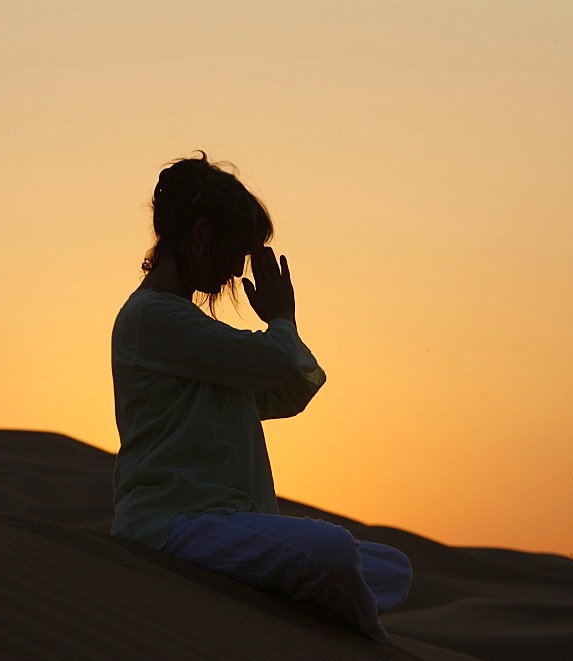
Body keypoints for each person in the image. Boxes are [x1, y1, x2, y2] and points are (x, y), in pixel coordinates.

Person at [110, 152, 411, 642]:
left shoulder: (196, 334)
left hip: (226, 521)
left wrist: (281, 331)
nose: (238, 268)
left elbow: (288, 390)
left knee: (391, 568)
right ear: (202, 236)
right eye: (238, 250)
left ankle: (291, 589)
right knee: (333, 553)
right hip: (172, 525)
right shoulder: (152, 320)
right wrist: (282, 320)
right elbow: (276, 362)